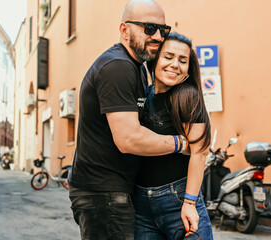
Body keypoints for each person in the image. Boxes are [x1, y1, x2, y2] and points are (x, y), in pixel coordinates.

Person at [68, 1, 186, 239]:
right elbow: (129, 139)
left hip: (116, 190)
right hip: (103, 193)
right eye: (149, 28)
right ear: (124, 30)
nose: (157, 37)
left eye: (163, 30)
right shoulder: (118, 67)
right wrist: (182, 144)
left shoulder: (138, 68)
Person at [133, 32, 213, 239]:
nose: (175, 64)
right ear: (156, 59)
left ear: (188, 68)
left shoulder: (187, 97)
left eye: (182, 60)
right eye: (168, 57)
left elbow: (199, 153)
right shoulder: (144, 95)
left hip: (177, 199)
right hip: (140, 205)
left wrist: (189, 203)